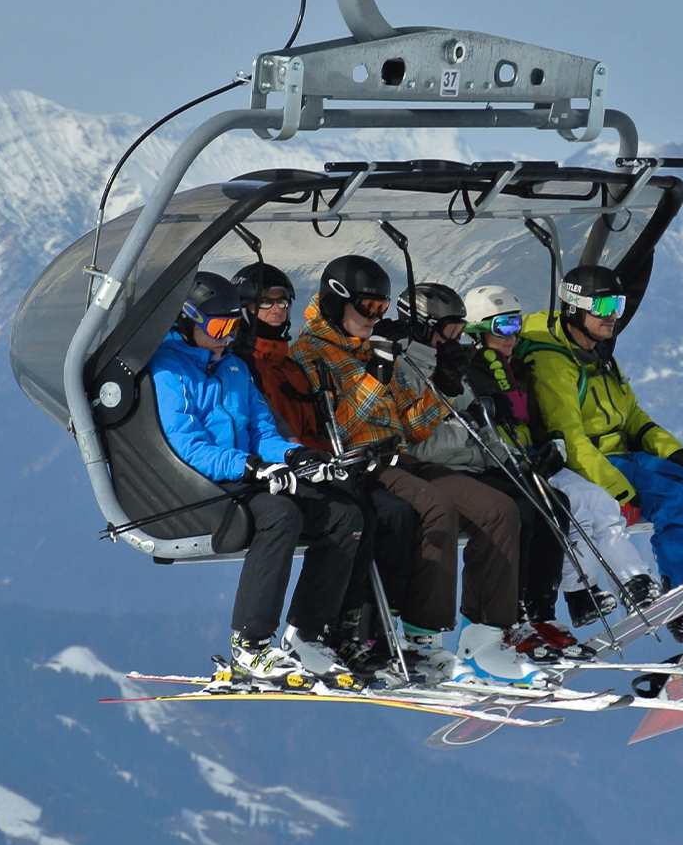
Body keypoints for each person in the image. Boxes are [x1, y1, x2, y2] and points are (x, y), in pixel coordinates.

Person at [289, 255, 537, 685]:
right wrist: (377, 377)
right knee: (435, 508)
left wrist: (443, 386)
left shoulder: (372, 347)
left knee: (499, 511)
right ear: (335, 300)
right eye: (368, 307)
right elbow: (340, 429)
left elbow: (412, 425)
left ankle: (486, 635)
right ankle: (423, 638)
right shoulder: (309, 353)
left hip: (401, 455)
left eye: (381, 309)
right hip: (360, 461)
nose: (374, 317)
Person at [147, 271, 364, 681]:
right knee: (280, 515)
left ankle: (307, 633)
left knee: (343, 515)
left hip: (244, 473)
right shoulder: (168, 369)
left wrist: (296, 455)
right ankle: (250, 644)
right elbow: (187, 445)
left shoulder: (232, 367)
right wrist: (250, 466)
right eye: (218, 327)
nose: (227, 336)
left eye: (233, 326)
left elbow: (262, 430)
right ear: (188, 320)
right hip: (201, 483)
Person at [515, 265, 683, 642]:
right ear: (574, 308)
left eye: (617, 304)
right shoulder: (553, 363)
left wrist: (672, 452)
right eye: (602, 306)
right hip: (595, 465)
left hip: (625, 457)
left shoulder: (597, 353)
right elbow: (571, 439)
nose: (613, 315)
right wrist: (619, 491)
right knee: (675, 499)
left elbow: (631, 415)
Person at [229, 261, 417, 678]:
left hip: (310, 462)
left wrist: (339, 459)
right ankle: (317, 630)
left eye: (283, 302)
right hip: (274, 469)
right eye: (265, 304)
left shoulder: (287, 364)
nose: (277, 311)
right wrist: (301, 458)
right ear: (245, 309)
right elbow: (270, 430)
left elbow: (321, 428)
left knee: (375, 511)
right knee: (354, 511)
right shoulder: (249, 363)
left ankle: (349, 629)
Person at [389, 282, 576, 663]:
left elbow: (481, 423)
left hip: (470, 462)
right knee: (508, 510)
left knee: (549, 501)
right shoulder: (402, 367)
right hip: (434, 469)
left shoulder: (448, 360)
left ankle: (537, 612)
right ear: (423, 325)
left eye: (460, 329)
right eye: (449, 329)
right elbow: (417, 444)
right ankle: (492, 624)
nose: (455, 338)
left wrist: (511, 460)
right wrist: (468, 428)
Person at [460, 284, 658, 630]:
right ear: (478, 331)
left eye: (516, 324)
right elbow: (475, 430)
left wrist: (553, 446)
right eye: (502, 327)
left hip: (534, 460)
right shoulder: (469, 373)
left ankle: (634, 583)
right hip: (505, 465)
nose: (512, 335)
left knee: (600, 501)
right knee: (572, 505)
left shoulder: (519, 369)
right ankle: (580, 593)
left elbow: (537, 422)